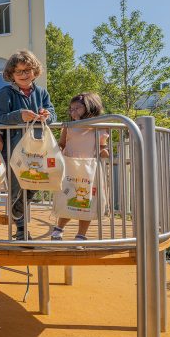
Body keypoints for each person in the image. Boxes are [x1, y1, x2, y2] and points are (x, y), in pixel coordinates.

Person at [0, 50, 56, 240]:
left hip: (37, 148)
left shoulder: (42, 92)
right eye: (19, 71)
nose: (23, 74)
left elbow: (53, 113)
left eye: (27, 70)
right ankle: (21, 230)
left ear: (35, 71)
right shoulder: (5, 93)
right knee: (15, 187)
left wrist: (47, 115)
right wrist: (19, 115)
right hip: (14, 149)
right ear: (11, 74)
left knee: (38, 180)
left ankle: (20, 206)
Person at [51, 92, 109, 241]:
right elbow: (62, 144)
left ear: (90, 107)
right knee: (68, 196)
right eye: (71, 109)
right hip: (71, 167)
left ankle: (81, 234)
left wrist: (104, 152)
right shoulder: (69, 126)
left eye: (77, 108)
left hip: (89, 168)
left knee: (87, 202)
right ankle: (59, 228)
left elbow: (103, 146)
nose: (73, 112)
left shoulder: (99, 127)